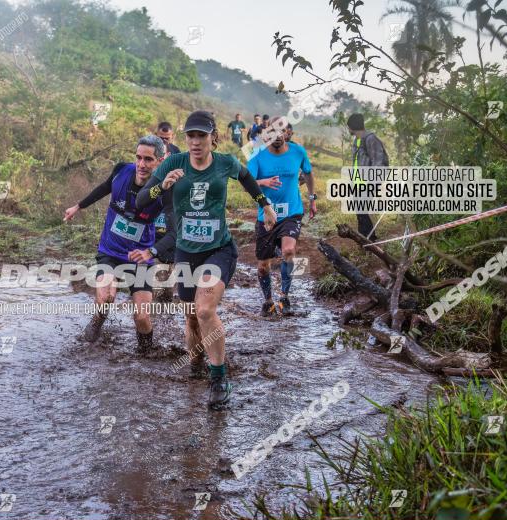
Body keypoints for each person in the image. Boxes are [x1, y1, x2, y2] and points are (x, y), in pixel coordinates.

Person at [136, 110, 279, 409]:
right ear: (185, 138)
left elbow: (247, 178)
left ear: (213, 137)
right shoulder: (174, 163)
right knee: (190, 315)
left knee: (203, 310)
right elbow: (141, 200)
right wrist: (161, 186)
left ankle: (219, 377)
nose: (196, 141)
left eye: (202, 135)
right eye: (191, 135)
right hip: (186, 252)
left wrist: (264, 206)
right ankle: (197, 362)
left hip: (220, 249)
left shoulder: (225, 162)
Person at [63, 135, 171, 350]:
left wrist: (156, 251)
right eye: (138, 157)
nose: (141, 164)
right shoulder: (122, 170)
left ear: (160, 161)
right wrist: (78, 206)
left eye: (148, 159)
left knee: (141, 317)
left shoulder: (164, 189)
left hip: (140, 258)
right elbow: (104, 188)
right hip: (110, 251)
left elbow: (171, 228)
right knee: (105, 297)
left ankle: (146, 351)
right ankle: (96, 324)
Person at [247, 116, 317, 317]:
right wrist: (264, 182)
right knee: (263, 266)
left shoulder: (298, 151)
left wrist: (312, 199)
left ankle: (284, 296)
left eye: (282, 131)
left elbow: (309, 173)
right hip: (266, 214)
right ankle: (268, 300)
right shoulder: (257, 154)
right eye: (273, 132)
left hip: (292, 212)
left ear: (288, 133)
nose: (278, 136)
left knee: (288, 250)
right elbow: (247, 182)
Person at [347, 113, 388, 241]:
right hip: (357, 182)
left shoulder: (370, 139)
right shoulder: (357, 140)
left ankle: (371, 241)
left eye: (349, 126)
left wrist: (374, 183)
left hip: (367, 183)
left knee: (363, 211)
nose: (348, 129)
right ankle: (363, 240)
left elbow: (378, 161)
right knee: (360, 212)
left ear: (352, 126)